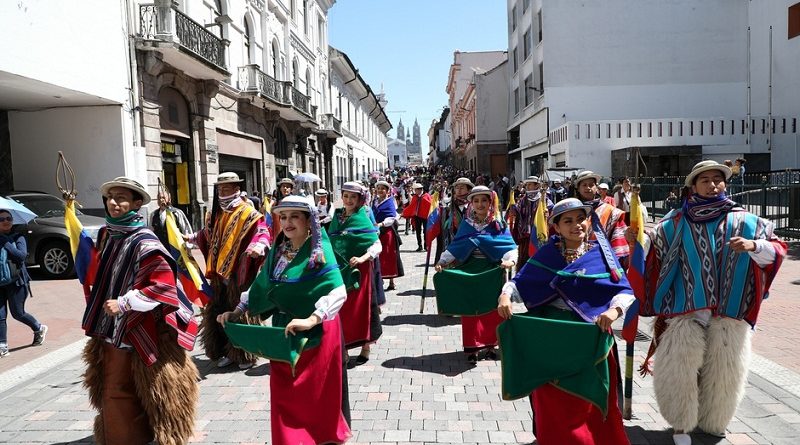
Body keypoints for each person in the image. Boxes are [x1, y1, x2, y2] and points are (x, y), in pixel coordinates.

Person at [638, 161, 785, 445]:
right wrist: (639, 240)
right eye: (704, 180)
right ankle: (681, 425)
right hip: (686, 307)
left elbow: (776, 249)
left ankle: (714, 421)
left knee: (724, 369)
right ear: (693, 186)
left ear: (725, 184)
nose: (712, 184)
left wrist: (755, 246)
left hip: (729, 308)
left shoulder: (746, 221)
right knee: (680, 369)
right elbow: (652, 250)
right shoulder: (675, 222)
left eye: (717, 179)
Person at [497, 198, 633, 445]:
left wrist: (614, 312)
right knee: (551, 399)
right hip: (549, 339)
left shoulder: (602, 255)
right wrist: (505, 295)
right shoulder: (547, 254)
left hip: (589, 336)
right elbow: (519, 283)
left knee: (588, 401)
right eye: (568, 221)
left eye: (581, 219)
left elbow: (624, 291)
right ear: (556, 227)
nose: (576, 225)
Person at [218, 196, 351, 445]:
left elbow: (337, 291)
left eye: (294, 217)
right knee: (284, 393)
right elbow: (261, 285)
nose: (287, 222)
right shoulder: (279, 250)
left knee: (313, 394)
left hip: (316, 332)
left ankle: (319, 436)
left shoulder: (319, 251)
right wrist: (237, 311)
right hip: (283, 331)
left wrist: (312, 319)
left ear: (308, 221)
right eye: (283, 217)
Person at [80, 177, 199, 445]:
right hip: (110, 326)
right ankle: (128, 435)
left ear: (136, 203)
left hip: (140, 326)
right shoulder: (108, 234)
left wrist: (125, 302)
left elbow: (163, 286)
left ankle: (138, 436)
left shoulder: (145, 241)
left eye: (121, 198)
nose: (113, 203)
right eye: (110, 198)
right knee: (117, 387)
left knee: (137, 388)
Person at [187, 172, 269, 369]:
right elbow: (208, 234)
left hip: (238, 274)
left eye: (226, 188)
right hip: (218, 275)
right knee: (218, 312)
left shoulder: (249, 213)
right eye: (220, 189)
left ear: (236, 189)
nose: (222, 192)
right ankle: (226, 351)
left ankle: (245, 354)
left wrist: (259, 246)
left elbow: (263, 231)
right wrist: (191, 238)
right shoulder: (217, 213)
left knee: (239, 313)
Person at [435, 186, 517, 363]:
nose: (480, 204)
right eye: (476, 201)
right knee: (470, 310)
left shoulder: (498, 224)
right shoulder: (467, 225)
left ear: (490, 202)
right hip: (470, 271)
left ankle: (489, 346)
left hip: (491, 272)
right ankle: (471, 348)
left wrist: (511, 261)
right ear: (471, 204)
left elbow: (509, 247)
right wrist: (443, 261)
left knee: (491, 311)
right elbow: (455, 247)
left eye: (484, 200)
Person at [329, 182, 382, 367]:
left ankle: (365, 346)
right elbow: (331, 242)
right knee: (339, 309)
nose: (349, 200)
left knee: (361, 310)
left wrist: (362, 258)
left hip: (360, 272)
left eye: (353, 197)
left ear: (360, 199)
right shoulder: (336, 218)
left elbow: (377, 245)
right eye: (346, 196)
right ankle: (342, 348)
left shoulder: (363, 218)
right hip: (339, 271)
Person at [0, 209, 47, 357]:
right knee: (0, 315)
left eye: (9, 218)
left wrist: (6, 243)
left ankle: (38, 327)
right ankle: (3, 345)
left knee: (18, 313)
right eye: (2, 219)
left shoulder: (18, 237)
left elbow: (21, 256)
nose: (6, 221)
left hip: (17, 282)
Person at [572, 171, 629, 261]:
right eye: (584, 185)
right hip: (575, 260)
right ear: (578, 188)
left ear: (596, 188)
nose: (588, 188)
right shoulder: (571, 210)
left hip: (603, 261)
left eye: (591, 185)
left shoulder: (611, 212)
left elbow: (619, 243)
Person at [508, 176, 554, 271]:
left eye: (530, 184)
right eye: (526, 185)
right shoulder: (523, 199)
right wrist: (513, 209)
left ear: (536, 185)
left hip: (538, 234)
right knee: (523, 259)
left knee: (538, 257)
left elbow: (551, 212)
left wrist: (547, 213)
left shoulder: (544, 199)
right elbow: (517, 212)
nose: (527, 187)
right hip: (525, 235)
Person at [372, 181, 404, 291]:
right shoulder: (374, 201)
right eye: (378, 188)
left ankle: (391, 281)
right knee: (377, 255)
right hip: (376, 232)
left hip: (387, 232)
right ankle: (379, 279)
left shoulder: (390, 202)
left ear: (387, 191)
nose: (380, 190)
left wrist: (381, 224)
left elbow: (392, 217)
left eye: (383, 188)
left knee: (389, 256)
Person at [436, 177, 474, 263]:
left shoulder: (474, 207)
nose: (459, 190)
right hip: (453, 246)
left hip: (470, 246)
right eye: (457, 188)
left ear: (469, 190)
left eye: (462, 188)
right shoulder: (448, 208)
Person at [401, 183, 432, 252]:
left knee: (425, 231)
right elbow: (411, 206)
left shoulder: (426, 196)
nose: (415, 191)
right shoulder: (415, 197)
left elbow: (430, 205)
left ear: (420, 189)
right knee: (418, 231)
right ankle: (420, 246)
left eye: (416, 190)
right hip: (417, 216)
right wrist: (404, 212)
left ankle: (426, 245)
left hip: (425, 217)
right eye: (415, 190)